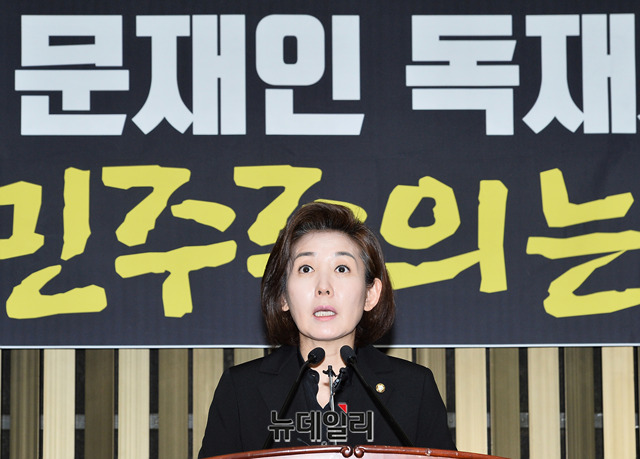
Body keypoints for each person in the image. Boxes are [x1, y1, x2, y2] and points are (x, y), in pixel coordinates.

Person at [198, 202, 455, 458]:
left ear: (370, 294)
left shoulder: (413, 388)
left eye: (341, 268)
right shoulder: (241, 390)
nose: (323, 287)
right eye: (306, 269)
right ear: (283, 296)